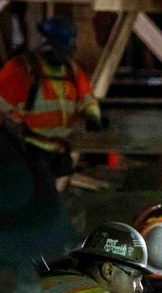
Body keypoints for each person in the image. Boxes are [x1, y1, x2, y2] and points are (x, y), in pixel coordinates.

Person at [0, 16, 106, 191]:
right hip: (29, 147)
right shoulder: (23, 69)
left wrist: (93, 116)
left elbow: (86, 97)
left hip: (58, 149)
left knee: (50, 197)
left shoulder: (71, 70)